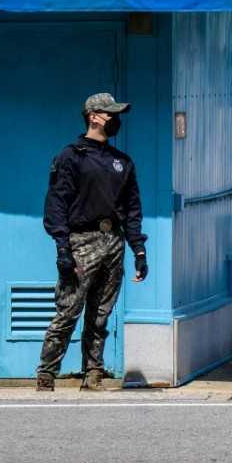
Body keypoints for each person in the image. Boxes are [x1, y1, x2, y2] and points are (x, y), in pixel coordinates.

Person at [36, 91, 147, 392]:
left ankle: (93, 373)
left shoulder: (122, 162)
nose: (116, 119)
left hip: (113, 242)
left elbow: (132, 209)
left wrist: (138, 250)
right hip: (81, 242)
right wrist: (63, 248)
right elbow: (57, 204)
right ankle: (46, 375)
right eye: (111, 114)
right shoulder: (71, 157)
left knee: (100, 314)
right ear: (93, 116)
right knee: (68, 311)